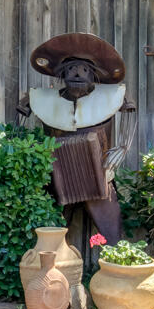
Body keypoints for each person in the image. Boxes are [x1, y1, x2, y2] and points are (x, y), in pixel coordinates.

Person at [16, 32, 136, 257]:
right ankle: (52, 276)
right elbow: (18, 122)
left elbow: (130, 113)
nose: (77, 73)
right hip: (57, 177)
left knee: (114, 239)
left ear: (93, 74)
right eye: (71, 68)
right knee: (49, 240)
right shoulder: (40, 98)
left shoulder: (112, 96)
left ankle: (118, 271)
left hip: (99, 177)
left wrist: (122, 148)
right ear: (62, 73)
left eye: (83, 69)